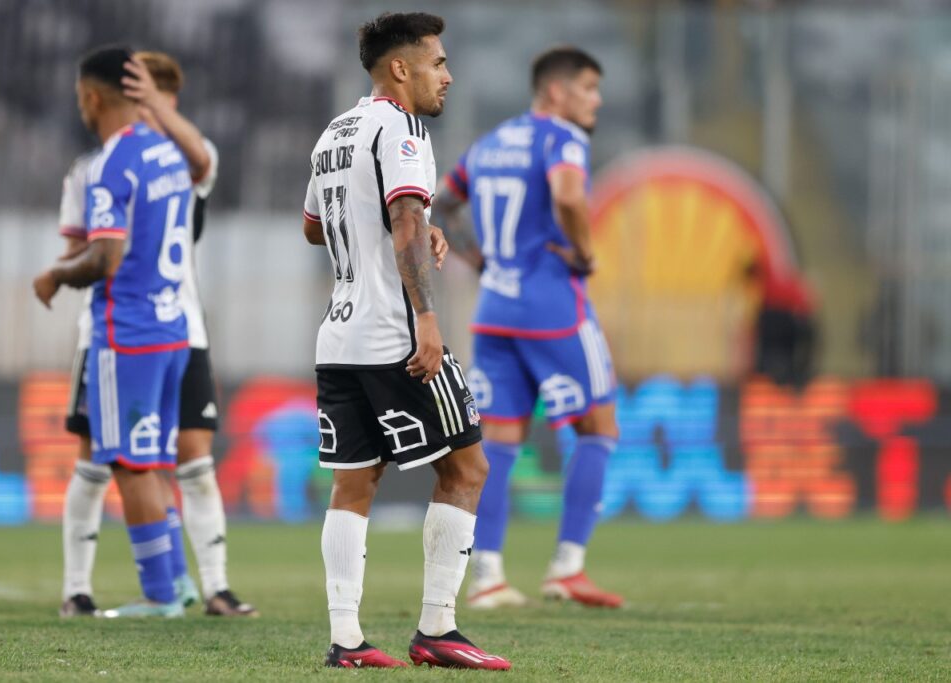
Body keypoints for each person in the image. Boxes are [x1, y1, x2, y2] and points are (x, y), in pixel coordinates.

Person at [301, 12, 510, 670]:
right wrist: (426, 316)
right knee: (468, 467)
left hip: (337, 335)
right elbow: (406, 214)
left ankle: (347, 640)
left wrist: (408, 229)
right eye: (438, 62)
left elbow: (316, 227)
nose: (447, 75)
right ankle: (438, 628)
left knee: (353, 484)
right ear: (401, 68)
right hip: (393, 331)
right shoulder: (401, 127)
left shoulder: (335, 132)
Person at [54, 51, 256, 618]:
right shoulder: (91, 170)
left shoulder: (180, 155)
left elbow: (202, 156)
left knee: (188, 459)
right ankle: (79, 587)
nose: (153, 111)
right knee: (99, 459)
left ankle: (209, 585)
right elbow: (79, 246)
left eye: (163, 102)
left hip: (175, 329)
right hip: (117, 331)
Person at [431, 46, 624, 610]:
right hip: (554, 309)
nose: (597, 99)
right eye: (589, 88)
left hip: (495, 312)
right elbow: (567, 194)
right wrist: (585, 253)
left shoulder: (489, 145)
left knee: (499, 443)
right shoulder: (562, 137)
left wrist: (476, 258)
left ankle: (487, 575)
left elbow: (441, 203)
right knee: (598, 428)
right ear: (557, 92)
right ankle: (567, 567)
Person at [34, 45, 192, 618]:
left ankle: (160, 596)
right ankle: (176, 584)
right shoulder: (168, 153)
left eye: (80, 98)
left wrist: (56, 274)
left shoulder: (110, 163)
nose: (80, 106)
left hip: (127, 333)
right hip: (172, 328)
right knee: (148, 460)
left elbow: (104, 258)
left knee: (128, 463)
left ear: (92, 97)